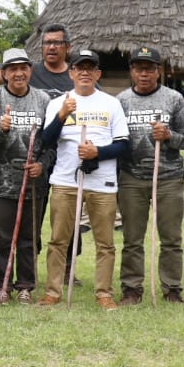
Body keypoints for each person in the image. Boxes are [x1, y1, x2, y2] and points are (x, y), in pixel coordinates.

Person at [38, 49, 129, 310]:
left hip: (102, 183)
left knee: (105, 243)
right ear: (72, 73)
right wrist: (61, 116)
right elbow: (46, 140)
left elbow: (123, 144)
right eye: (80, 68)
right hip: (66, 181)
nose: (85, 73)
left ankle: (104, 293)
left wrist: (97, 152)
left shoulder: (111, 103)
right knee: (58, 239)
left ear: (98, 74)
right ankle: (53, 292)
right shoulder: (59, 103)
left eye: (90, 68)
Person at [116, 46, 184, 305]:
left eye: (149, 69)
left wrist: (169, 136)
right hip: (131, 178)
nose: (144, 74)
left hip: (168, 178)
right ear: (132, 71)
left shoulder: (174, 99)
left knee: (171, 238)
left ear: (158, 71)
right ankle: (131, 288)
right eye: (139, 68)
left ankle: (172, 288)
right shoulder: (121, 101)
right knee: (132, 238)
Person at [0, 49, 53, 304]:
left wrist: (42, 164)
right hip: (1, 182)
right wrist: (1, 129)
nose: (19, 73)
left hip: (34, 182)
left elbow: (51, 142)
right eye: (13, 69)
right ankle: (2, 285)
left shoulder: (43, 100)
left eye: (23, 68)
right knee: (2, 238)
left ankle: (25, 285)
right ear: (4, 73)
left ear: (30, 71)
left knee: (29, 238)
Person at [0, 19, 74, 97]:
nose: (51, 47)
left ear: (68, 47)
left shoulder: (77, 74)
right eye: (47, 43)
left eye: (57, 42)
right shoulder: (27, 71)